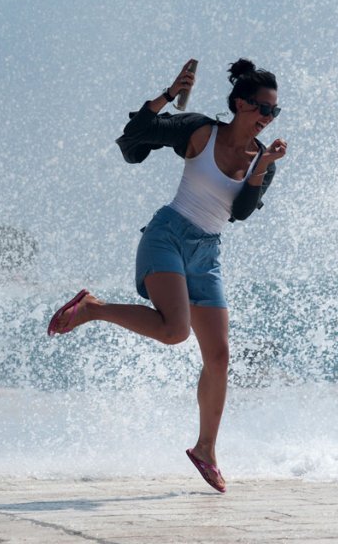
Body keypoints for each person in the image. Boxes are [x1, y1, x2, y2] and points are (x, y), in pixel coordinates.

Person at [47, 58, 287, 493]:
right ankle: (92, 309)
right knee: (175, 331)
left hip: (207, 254)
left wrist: (260, 170)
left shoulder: (262, 159)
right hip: (167, 236)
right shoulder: (199, 131)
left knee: (219, 357)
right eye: (260, 109)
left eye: (273, 112)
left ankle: (206, 450)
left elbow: (241, 213)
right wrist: (167, 95)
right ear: (239, 103)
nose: (266, 119)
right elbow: (136, 133)